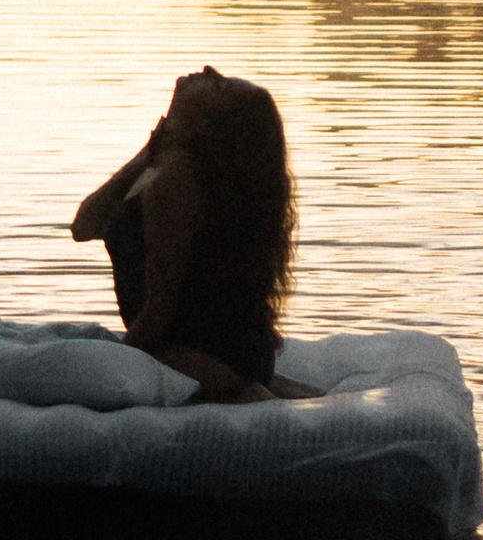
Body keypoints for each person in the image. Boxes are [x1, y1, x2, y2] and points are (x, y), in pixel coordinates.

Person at [70, 67, 310, 403]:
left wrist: (121, 361)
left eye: (220, 86)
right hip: (213, 352)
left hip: (205, 356)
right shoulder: (165, 164)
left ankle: (246, 392)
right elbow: (84, 226)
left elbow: (159, 309)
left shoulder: (177, 179)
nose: (210, 71)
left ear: (212, 123)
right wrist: (149, 150)